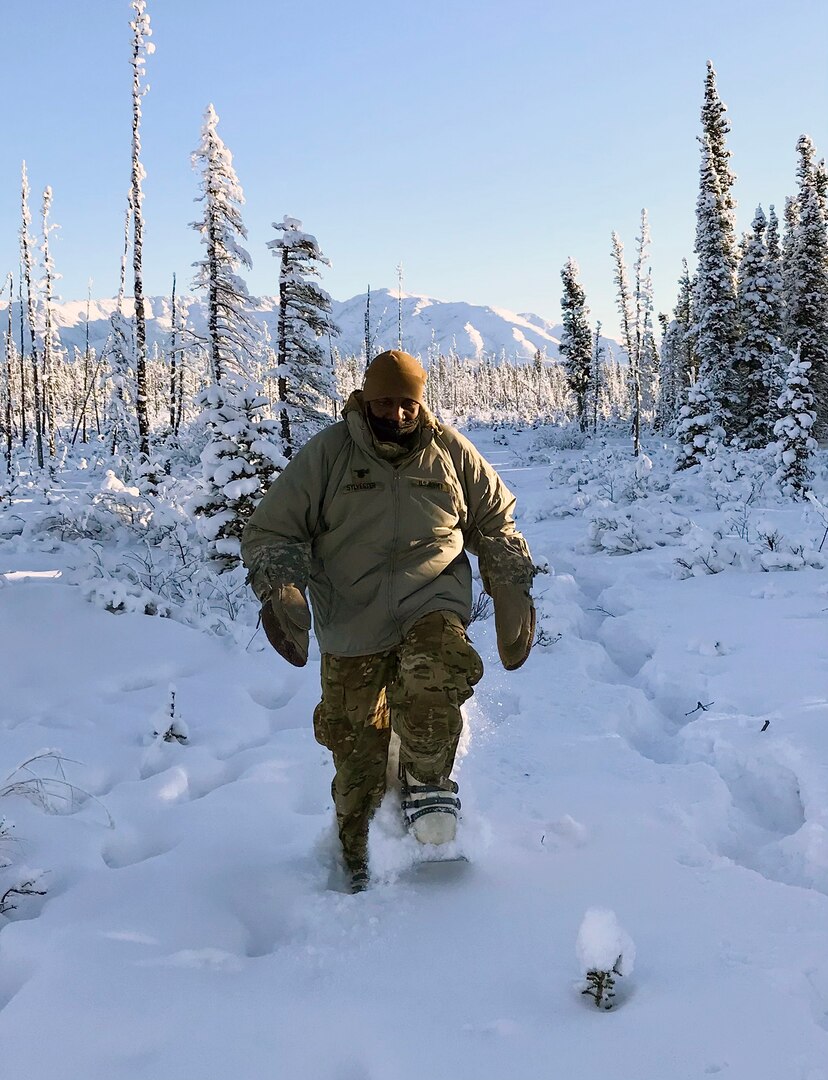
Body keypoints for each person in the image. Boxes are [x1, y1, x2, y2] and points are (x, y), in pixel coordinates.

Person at [241, 349, 535, 891]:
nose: (397, 414)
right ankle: (353, 845)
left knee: (437, 674)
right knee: (355, 755)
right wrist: (281, 584)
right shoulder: (330, 455)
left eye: (407, 403)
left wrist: (510, 579)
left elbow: (496, 520)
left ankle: (426, 781)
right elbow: (272, 529)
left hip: (433, 601)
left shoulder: (450, 452)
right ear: (364, 400)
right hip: (352, 616)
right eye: (384, 402)